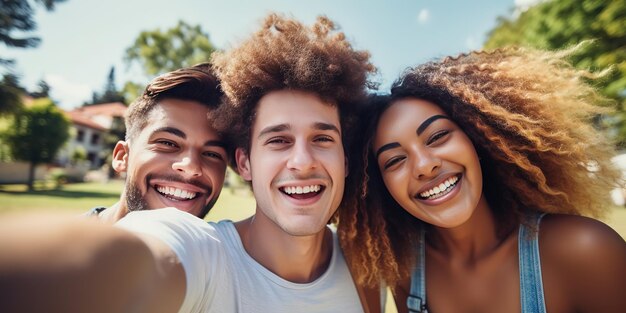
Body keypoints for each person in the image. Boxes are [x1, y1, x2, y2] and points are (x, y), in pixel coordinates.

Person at [0, 13, 379, 313]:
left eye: (322, 138)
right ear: (244, 163)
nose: (302, 160)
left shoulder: (366, 262)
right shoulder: (202, 250)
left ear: (346, 160)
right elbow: (139, 258)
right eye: (278, 140)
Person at [338, 46, 626, 313]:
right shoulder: (405, 271)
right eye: (395, 160)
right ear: (380, 187)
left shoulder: (584, 250)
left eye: (437, 136)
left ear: (478, 138)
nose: (424, 166)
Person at [86, 63, 229, 222]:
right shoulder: (56, 245)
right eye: (168, 143)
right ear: (122, 156)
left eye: (212, 154)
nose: (190, 166)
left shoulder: (222, 246)